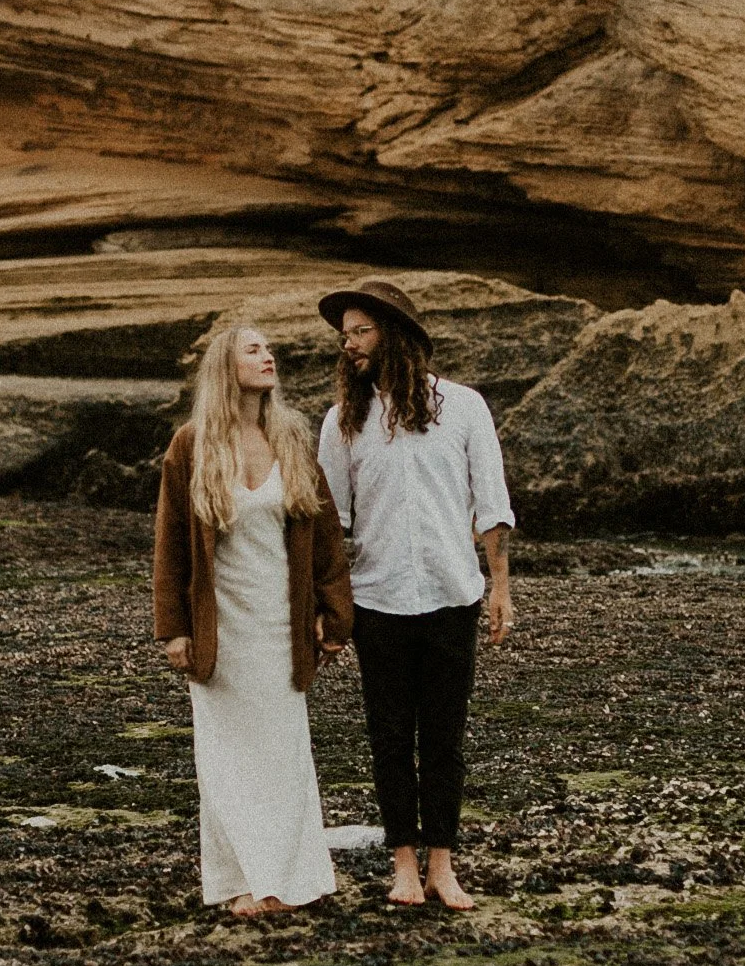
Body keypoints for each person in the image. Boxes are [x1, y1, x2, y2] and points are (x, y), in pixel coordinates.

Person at [316, 280, 514, 912]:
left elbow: (493, 504)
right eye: (344, 335)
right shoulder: (342, 422)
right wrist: (326, 607)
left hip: (453, 595)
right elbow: (328, 526)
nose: (348, 346)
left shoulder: (464, 407)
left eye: (360, 332)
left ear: (395, 333)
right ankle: (403, 865)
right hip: (377, 601)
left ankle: (443, 868)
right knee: (390, 737)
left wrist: (500, 587)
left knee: (445, 738)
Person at [153, 316, 353, 920]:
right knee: (225, 759)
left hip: (280, 624)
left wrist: (333, 616)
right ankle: (244, 881)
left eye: (269, 349)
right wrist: (175, 628)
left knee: (285, 752)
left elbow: (325, 537)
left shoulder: (291, 437)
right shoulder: (191, 445)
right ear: (226, 367)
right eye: (254, 349)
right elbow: (171, 546)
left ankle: (291, 878)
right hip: (221, 627)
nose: (269, 357)